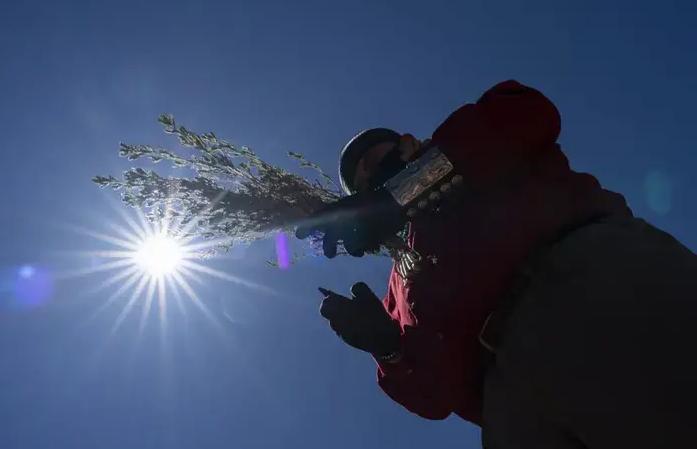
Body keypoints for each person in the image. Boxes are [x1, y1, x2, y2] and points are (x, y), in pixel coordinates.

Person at [296, 80, 697, 448]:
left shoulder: (468, 143)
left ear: (405, 142)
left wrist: (406, 190)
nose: (367, 177)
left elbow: (528, 113)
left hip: (588, 288)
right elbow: (433, 402)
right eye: (360, 184)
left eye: (370, 159)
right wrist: (386, 350)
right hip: (512, 403)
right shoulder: (399, 287)